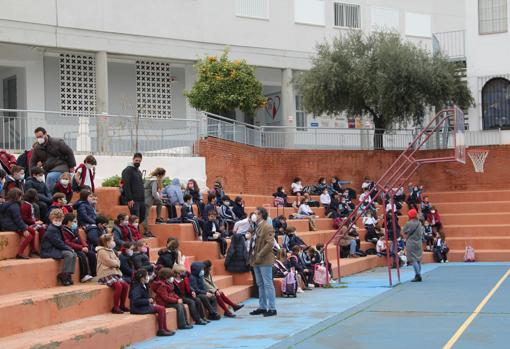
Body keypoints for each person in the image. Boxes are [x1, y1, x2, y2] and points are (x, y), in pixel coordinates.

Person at [130, 269, 175, 336]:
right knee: (161, 309)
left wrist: (150, 300)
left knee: (162, 308)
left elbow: (144, 297)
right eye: (147, 275)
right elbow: (136, 301)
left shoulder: (144, 285)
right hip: (137, 308)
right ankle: (161, 330)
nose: (148, 277)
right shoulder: (137, 287)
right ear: (142, 278)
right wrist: (147, 301)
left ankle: (164, 328)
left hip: (143, 306)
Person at [249, 207, 277, 317]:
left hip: (264, 259)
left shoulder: (267, 226)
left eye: (255, 213)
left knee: (268, 283)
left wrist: (260, 254)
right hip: (256, 260)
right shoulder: (256, 227)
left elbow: (270, 243)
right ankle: (262, 306)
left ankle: (272, 308)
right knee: (260, 284)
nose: (253, 215)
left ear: (261, 215)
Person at [30, 127, 76, 191]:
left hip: (61, 166)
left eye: (40, 136)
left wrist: (72, 166)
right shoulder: (37, 148)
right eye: (37, 137)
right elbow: (32, 162)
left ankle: (49, 197)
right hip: (47, 169)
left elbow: (69, 152)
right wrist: (32, 175)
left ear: (45, 134)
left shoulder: (57, 142)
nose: (39, 138)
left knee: (50, 177)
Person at [40, 209, 77, 286]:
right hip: (49, 250)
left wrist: (69, 248)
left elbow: (61, 242)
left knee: (74, 254)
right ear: (51, 219)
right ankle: (63, 275)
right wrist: (69, 248)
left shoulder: (58, 227)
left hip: (56, 248)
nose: (58, 221)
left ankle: (68, 274)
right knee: (69, 254)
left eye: (60, 220)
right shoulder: (51, 229)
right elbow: (58, 243)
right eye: (56, 219)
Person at [96, 234, 130, 314]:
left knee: (125, 285)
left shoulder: (111, 250)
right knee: (118, 286)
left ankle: (122, 305)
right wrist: (116, 263)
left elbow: (118, 261)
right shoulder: (101, 251)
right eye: (112, 240)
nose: (113, 242)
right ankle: (115, 307)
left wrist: (116, 263)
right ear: (106, 242)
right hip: (105, 273)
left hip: (114, 273)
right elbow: (109, 262)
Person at [0, 188, 38, 259]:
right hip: (11, 226)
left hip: (6, 225)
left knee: (32, 231)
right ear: (18, 196)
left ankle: (33, 250)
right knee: (29, 236)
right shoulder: (15, 206)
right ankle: (20, 253)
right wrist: (24, 229)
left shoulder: (6, 203)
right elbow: (17, 219)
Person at [62, 213, 96, 282]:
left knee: (92, 254)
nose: (76, 223)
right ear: (68, 221)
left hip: (79, 246)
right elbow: (68, 243)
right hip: (72, 248)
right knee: (81, 255)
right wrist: (81, 248)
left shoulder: (75, 229)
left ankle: (94, 274)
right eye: (74, 221)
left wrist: (85, 246)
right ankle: (83, 275)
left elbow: (80, 239)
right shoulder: (63, 230)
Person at [121, 153, 149, 236]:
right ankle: (135, 235)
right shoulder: (127, 170)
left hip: (141, 200)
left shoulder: (138, 171)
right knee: (135, 218)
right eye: (136, 160)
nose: (138, 162)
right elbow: (126, 185)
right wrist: (129, 199)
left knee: (142, 217)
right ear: (133, 159)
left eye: (139, 161)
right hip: (133, 200)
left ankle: (133, 232)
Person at [403, 209, 424, 282]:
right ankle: (418, 274)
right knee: (418, 259)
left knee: (413, 259)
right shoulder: (419, 223)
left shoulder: (408, 223)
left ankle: (418, 275)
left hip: (411, 242)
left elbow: (404, 231)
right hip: (419, 242)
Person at [143, 167, 166, 235]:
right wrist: (158, 198)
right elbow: (154, 193)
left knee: (160, 203)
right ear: (160, 175)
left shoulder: (150, 179)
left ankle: (158, 218)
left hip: (147, 199)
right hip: (147, 200)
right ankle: (146, 231)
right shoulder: (154, 180)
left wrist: (159, 199)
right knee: (145, 216)